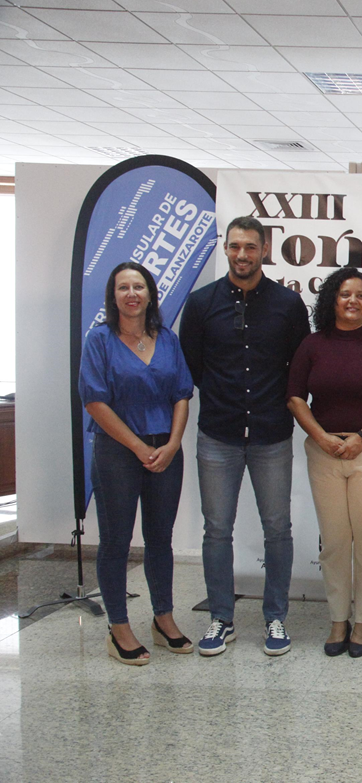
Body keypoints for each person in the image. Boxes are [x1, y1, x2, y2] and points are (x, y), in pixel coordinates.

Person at [179, 215, 310, 657]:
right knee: (217, 530)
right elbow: (192, 367)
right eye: (234, 246)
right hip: (219, 433)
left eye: (250, 247)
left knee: (278, 529)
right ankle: (221, 617)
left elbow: (300, 369)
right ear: (226, 248)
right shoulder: (200, 304)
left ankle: (275, 617)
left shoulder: (288, 306)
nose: (241, 255)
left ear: (264, 250)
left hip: (272, 434)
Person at [287, 268, 362, 659]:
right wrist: (320, 436)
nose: (352, 301)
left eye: (360, 295)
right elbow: (294, 397)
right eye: (344, 294)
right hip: (323, 451)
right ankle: (338, 618)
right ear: (331, 301)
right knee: (335, 543)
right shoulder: (312, 344)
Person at [80, 262, 195, 665]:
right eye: (123, 288)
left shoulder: (167, 339)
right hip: (117, 452)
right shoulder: (99, 341)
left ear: (150, 295)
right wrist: (136, 447)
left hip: (166, 449)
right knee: (116, 541)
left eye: (139, 287)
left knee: (160, 538)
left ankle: (163, 619)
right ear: (113, 297)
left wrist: (172, 443)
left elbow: (182, 393)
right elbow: (95, 401)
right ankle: (119, 628)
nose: (132, 294)